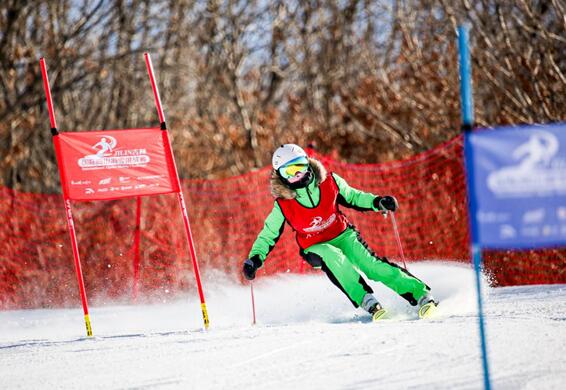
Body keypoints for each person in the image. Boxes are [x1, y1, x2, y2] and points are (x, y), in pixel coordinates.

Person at [242, 144, 438, 320]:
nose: (297, 175)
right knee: (333, 257)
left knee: (370, 264)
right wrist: (255, 259)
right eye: (289, 172)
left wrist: (377, 202)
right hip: (314, 246)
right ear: (281, 176)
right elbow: (268, 234)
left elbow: (353, 197)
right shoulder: (284, 205)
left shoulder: (330, 182)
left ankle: (421, 294)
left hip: (343, 234)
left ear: (308, 163)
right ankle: (368, 301)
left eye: (300, 166)